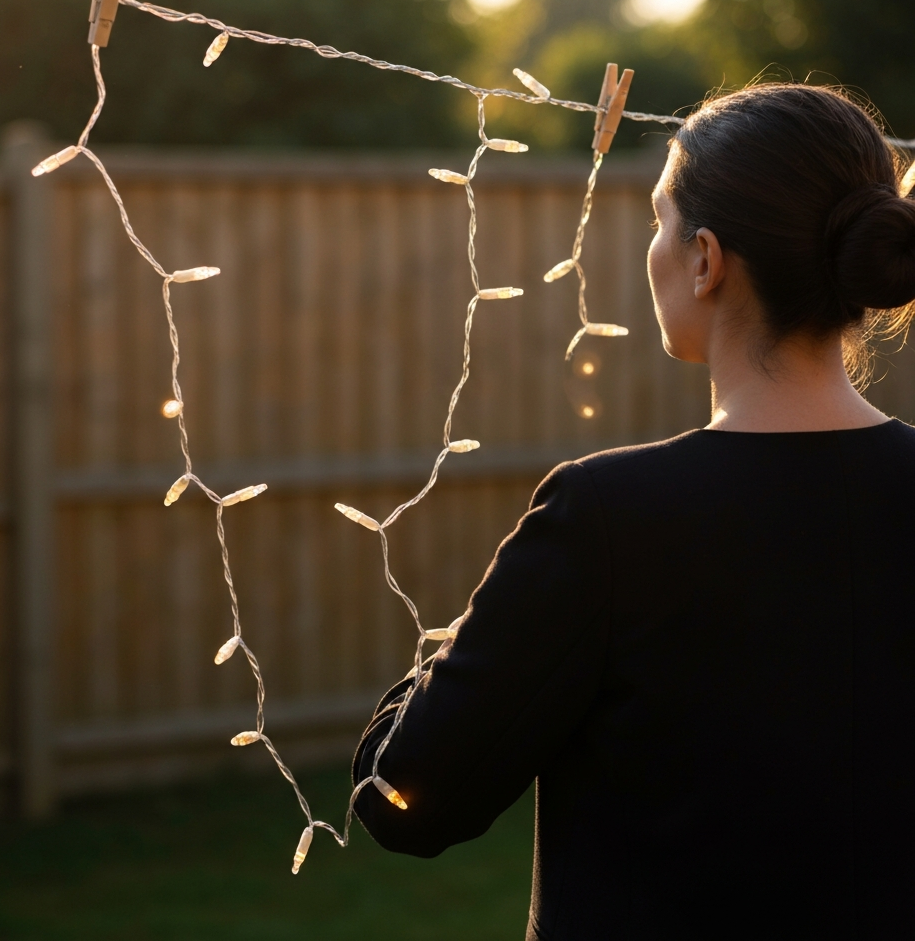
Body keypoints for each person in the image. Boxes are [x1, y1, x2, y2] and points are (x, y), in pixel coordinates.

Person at [351, 83, 915, 940]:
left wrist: (460, 653)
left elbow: (407, 802)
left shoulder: (611, 519)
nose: (648, 247)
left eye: (659, 218)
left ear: (705, 260)